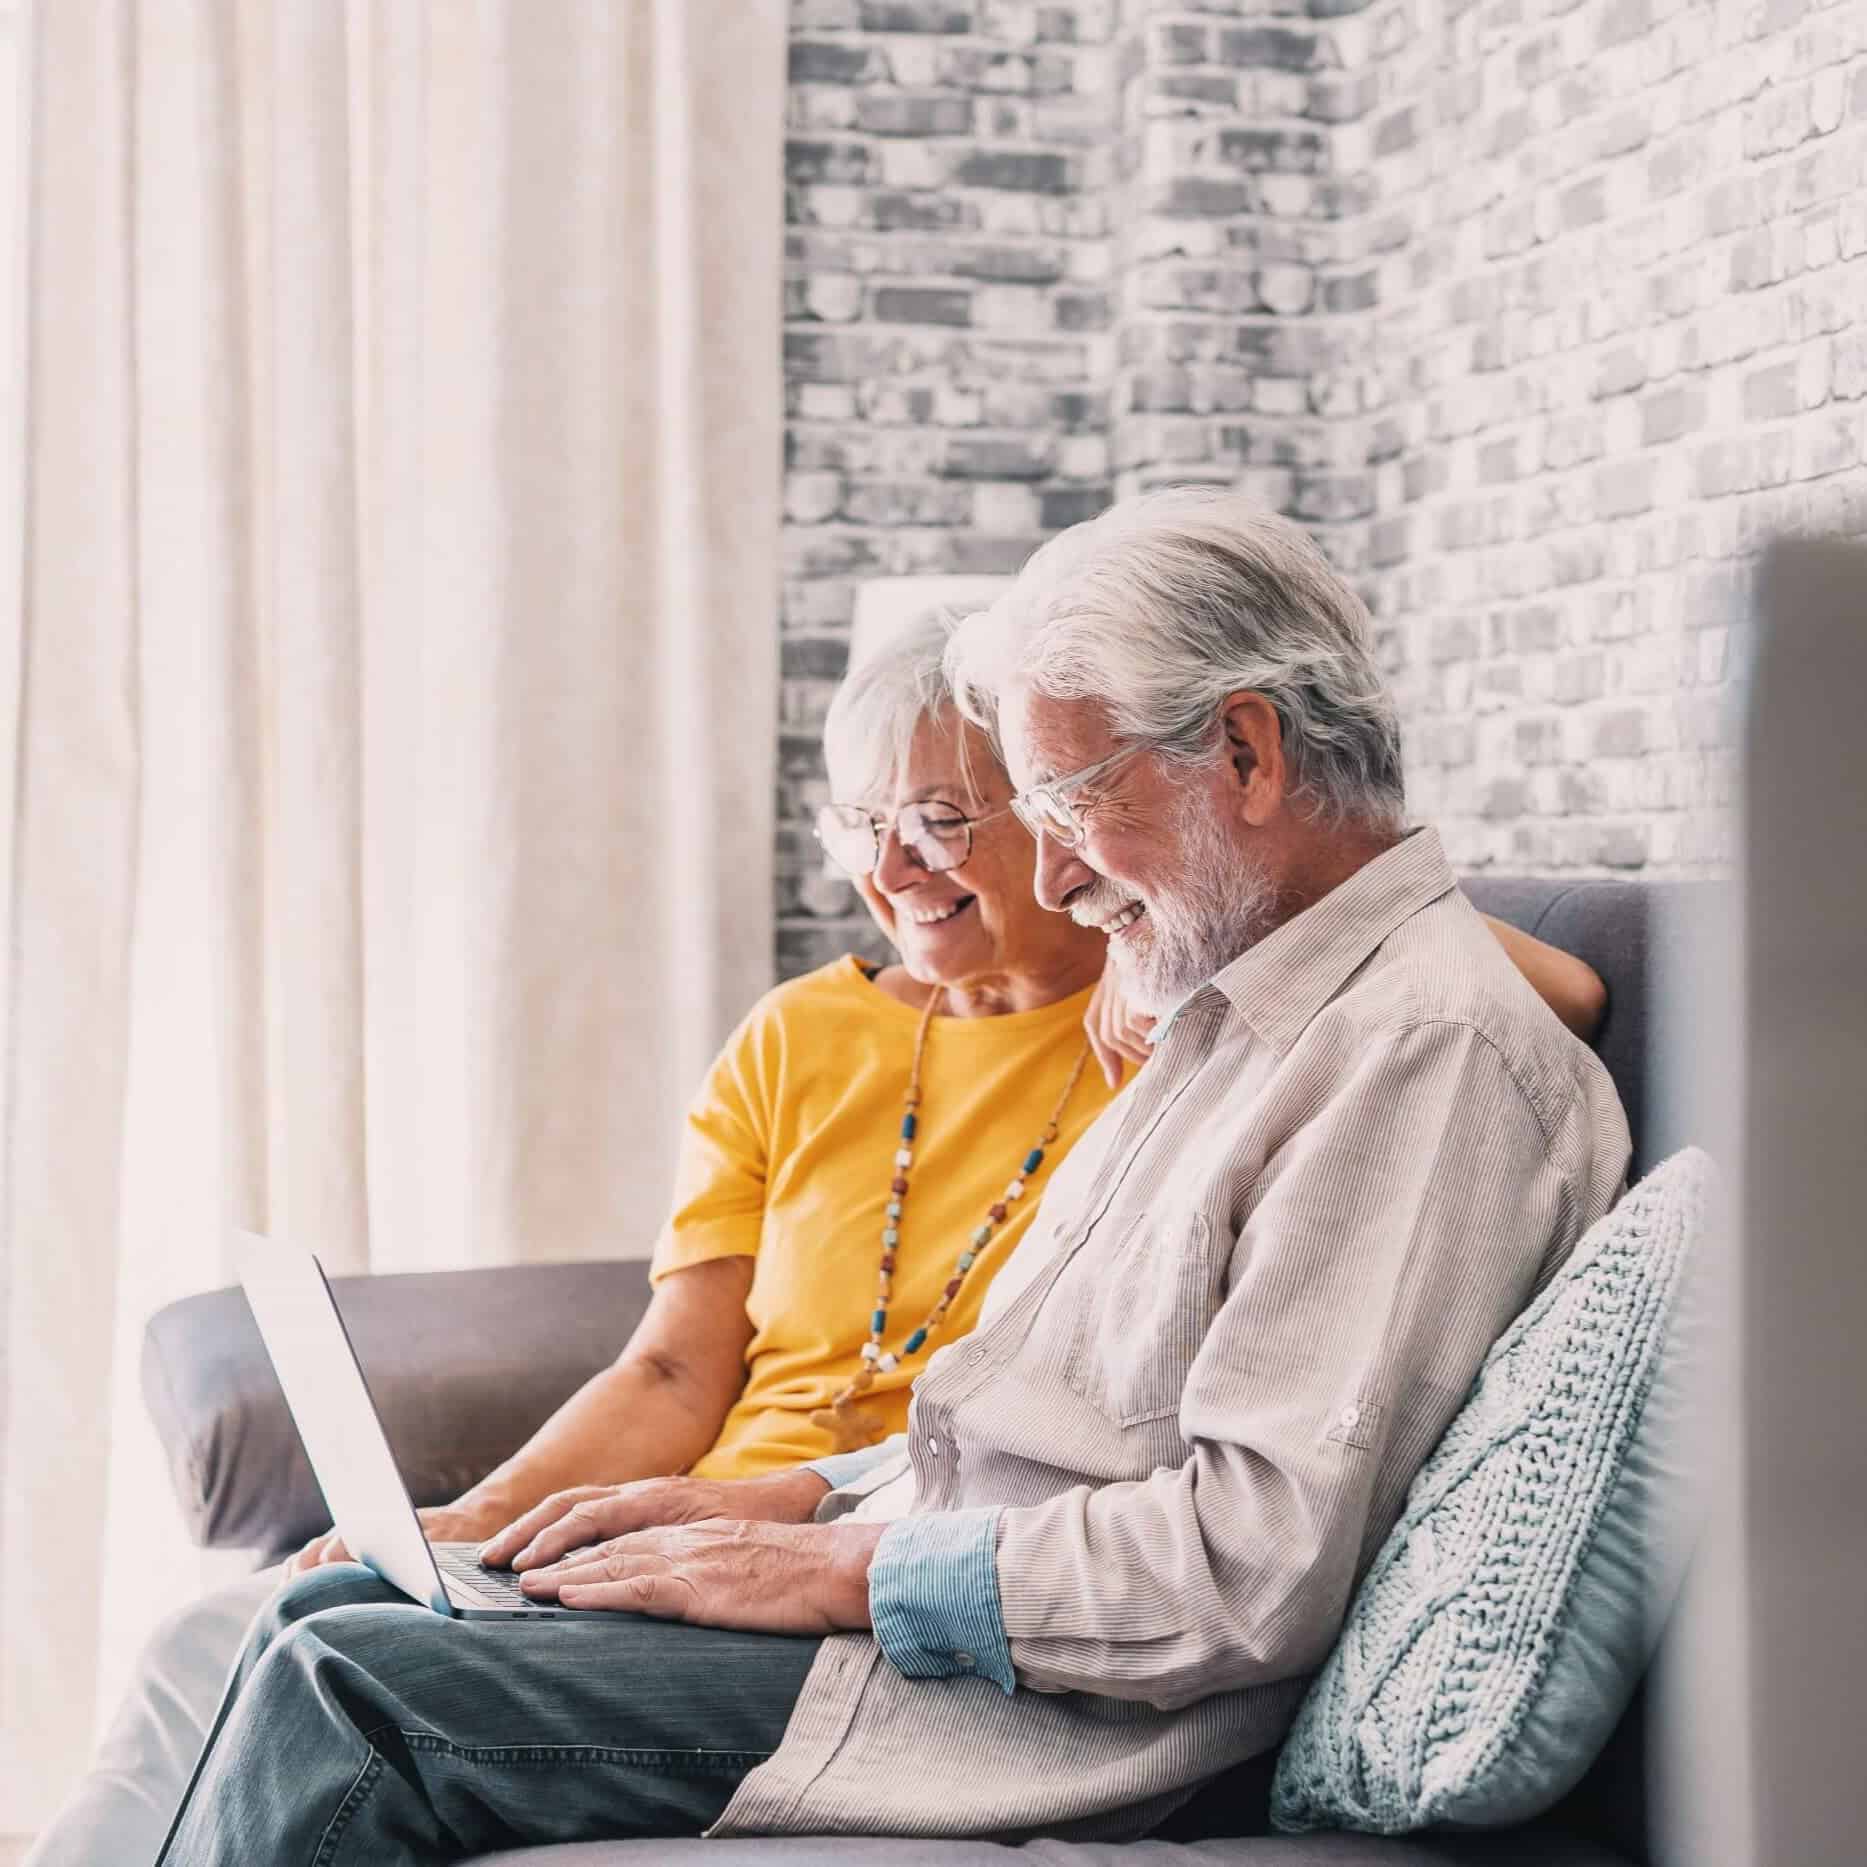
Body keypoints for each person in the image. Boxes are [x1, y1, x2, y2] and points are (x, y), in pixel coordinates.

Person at [150, 488, 1631, 1861]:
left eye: (1067, 802)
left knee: (343, 1679)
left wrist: (838, 1570)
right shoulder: (1239, 1005)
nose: (1050, 885)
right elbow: (1038, 1428)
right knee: (336, 1602)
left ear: (1245, 752)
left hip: (1035, 1711)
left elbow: (1248, 1567)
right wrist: (783, 1505)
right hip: (928, 1612)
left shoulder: (1419, 1056)